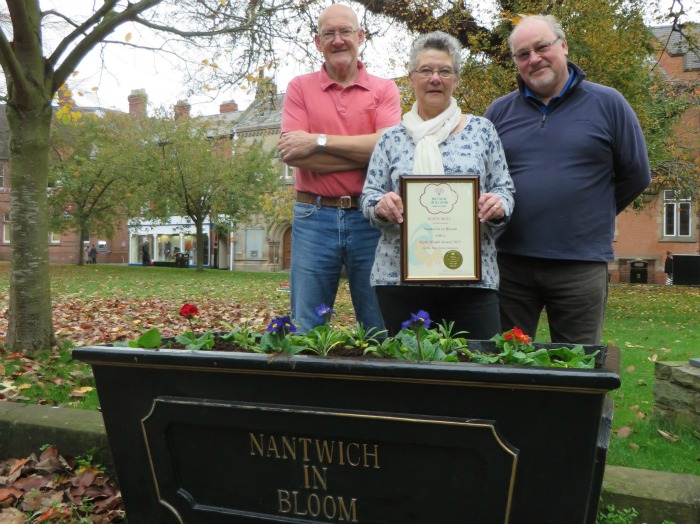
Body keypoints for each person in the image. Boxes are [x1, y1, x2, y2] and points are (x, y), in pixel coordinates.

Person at [484, 14, 651, 344]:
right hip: (510, 264)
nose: (534, 58)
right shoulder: (498, 113)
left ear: (563, 46)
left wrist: (591, 212)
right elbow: (485, 180)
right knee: (505, 365)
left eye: (542, 47)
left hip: (580, 266)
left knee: (579, 369)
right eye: (523, 54)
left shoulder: (609, 103)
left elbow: (636, 175)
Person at [360, 31, 515, 338]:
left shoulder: (482, 131)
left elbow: (505, 188)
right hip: (399, 280)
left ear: (455, 79)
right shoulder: (391, 139)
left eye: (445, 71)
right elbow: (369, 196)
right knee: (408, 377)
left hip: (473, 279)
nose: (435, 78)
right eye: (426, 70)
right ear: (411, 78)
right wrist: (381, 205)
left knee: (477, 374)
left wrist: (498, 204)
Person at [278, 4, 401, 332]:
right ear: (317, 42)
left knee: (379, 326)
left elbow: (388, 151)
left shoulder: (384, 89)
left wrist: (316, 142)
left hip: (370, 219)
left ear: (360, 36)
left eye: (345, 32)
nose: (337, 40)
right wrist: (364, 150)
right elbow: (293, 154)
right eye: (328, 33)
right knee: (307, 328)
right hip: (312, 216)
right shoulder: (299, 88)